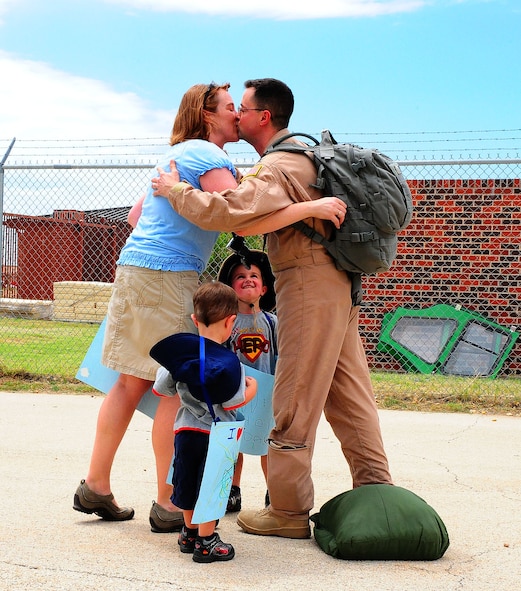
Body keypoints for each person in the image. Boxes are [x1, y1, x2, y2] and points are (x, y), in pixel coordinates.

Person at [73, 80, 349, 532]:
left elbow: (134, 217)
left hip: (137, 269)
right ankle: (167, 502)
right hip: (167, 275)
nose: (236, 115)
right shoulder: (209, 155)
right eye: (228, 108)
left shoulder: (177, 156)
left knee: (131, 383)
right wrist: (308, 207)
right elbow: (243, 214)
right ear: (208, 116)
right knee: (176, 386)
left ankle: (96, 485)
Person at [151, 77, 393, 540]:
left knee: (295, 395)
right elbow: (259, 214)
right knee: (348, 392)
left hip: (306, 282)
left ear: (264, 117)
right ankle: (376, 488)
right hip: (339, 284)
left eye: (241, 108)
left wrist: (175, 190)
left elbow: (228, 211)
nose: (235, 115)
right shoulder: (306, 155)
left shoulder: (279, 165)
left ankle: (287, 510)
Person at [150, 281, 258, 563]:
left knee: (186, 480)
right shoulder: (232, 363)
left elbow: (161, 389)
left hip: (185, 429)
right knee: (212, 485)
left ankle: (188, 531)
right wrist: (253, 389)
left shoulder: (184, 356)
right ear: (232, 322)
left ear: (194, 320)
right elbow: (233, 402)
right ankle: (207, 540)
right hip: (218, 434)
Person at [218, 245, 277, 512]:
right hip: (235, 389)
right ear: (230, 288)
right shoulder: (227, 321)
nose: (248, 279)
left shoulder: (272, 322)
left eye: (254, 276)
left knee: (268, 444)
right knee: (235, 443)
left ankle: (275, 490)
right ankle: (232, 488)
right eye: (240, 276)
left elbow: (279, 354)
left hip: (265, 392)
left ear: (264, 289)